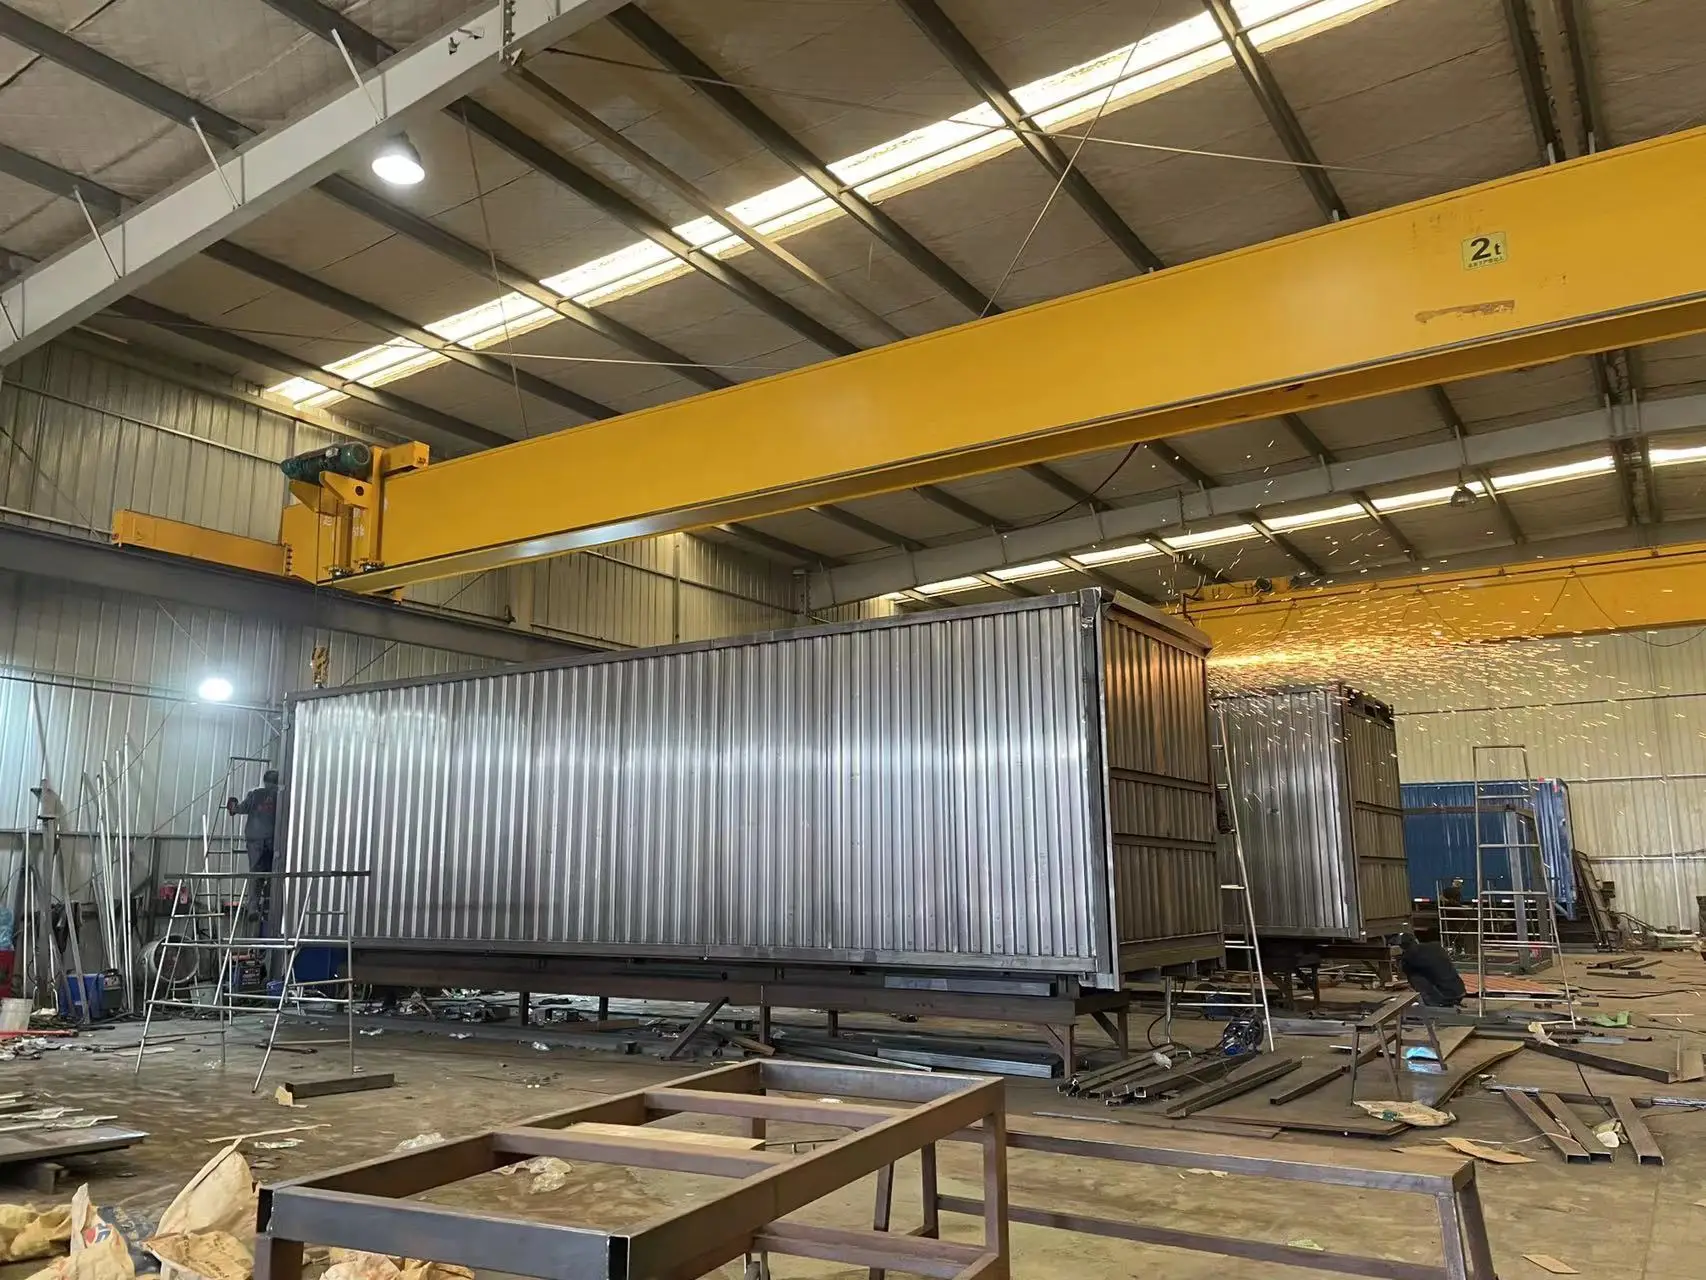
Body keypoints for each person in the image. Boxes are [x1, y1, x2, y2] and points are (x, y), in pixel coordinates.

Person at [227, 770, 280, 922]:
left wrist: (232, 805)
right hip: (273, 840)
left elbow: (238, 809)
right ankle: (269, 907)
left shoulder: (255, 795)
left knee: (256, 873)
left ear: (264, 781)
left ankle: (253, 908)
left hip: (255, 840)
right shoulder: (281, 796)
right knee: (273, 874)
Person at [1397, 932, 1466, 1007]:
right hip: (1460, 991)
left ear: (1402, 947)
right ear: (1416, 940)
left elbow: (1404, 972)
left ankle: (1433, 1002)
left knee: (1414, 976)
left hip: (1444, 997)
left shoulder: (1408, 956)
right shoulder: (1436, 946)